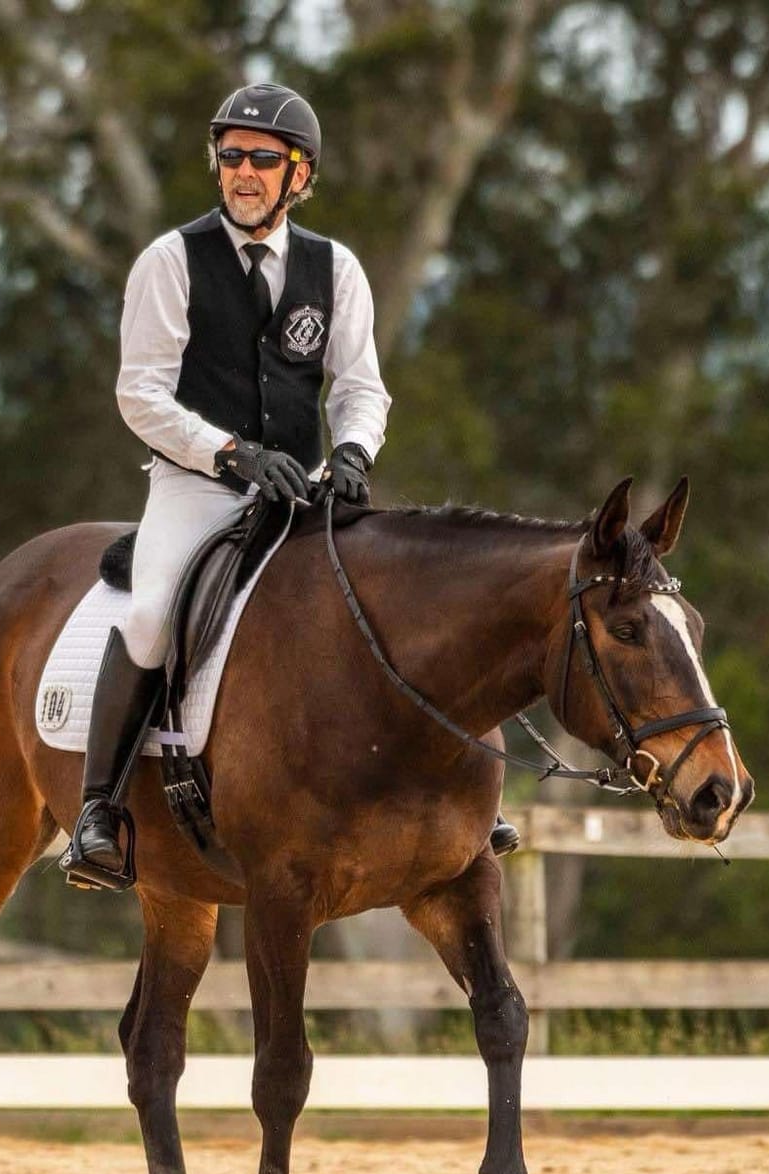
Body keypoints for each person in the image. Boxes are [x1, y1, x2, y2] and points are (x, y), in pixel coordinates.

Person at [62, 82, 518, 890]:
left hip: (305, 487)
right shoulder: (170, 261)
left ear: (298, 175)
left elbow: (361, 387)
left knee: (397, 601)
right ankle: (99, 810)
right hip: (198, 486)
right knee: (153, 611)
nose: (243, 171)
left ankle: (465, 795)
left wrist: (354, 452)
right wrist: (230, 453)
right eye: (231, 155)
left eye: (263, 159)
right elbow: (140, 393)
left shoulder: (335, 268)